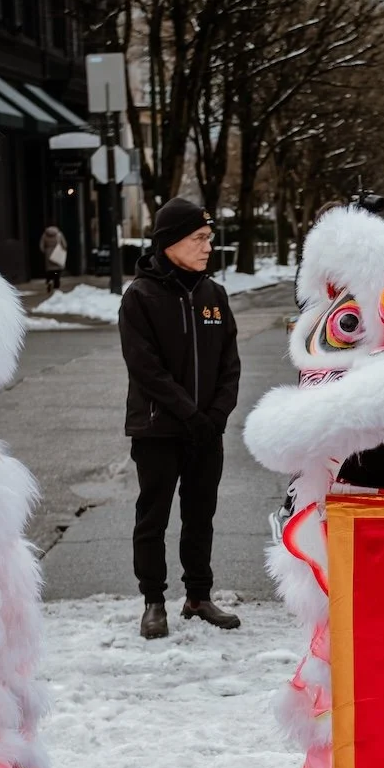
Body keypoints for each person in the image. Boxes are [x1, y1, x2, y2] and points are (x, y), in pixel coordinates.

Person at [121, 197, 242, 639]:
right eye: (199, 239)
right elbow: (146, 369)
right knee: (152, 517)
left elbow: (230, 363)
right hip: (158, 429)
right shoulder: (140, 297)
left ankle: (198, 596)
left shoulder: (214, 295)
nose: (208, 247)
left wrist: (216, 416)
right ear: (170, 242)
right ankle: (153, 601)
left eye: (209, 238)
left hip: (206, 431)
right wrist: (190, 415)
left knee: (200, 514)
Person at [40, 224, 66, 294]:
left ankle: (49, 280)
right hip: (57, 253)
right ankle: (56, 287)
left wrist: (45, 251)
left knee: (50, 271)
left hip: (48, 254)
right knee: (56, 271)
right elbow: (64, 244)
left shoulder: (45, 235)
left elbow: (41, 246)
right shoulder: (59, 234)